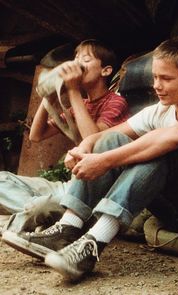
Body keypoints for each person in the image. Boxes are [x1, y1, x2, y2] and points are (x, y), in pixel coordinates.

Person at [3, 35, 178, 282]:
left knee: (164, 149)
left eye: (166, 79)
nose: (157, 85)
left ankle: (93, 245)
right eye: (155, 77)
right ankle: (68, 228)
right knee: (110, 141)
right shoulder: (159, 110)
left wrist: (103, 161)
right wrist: (84, 148)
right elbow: (105, 137)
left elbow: (175, 137)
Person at [0, 39, 129, 234]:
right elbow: (36, 135)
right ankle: (40, 213)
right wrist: (49, 95)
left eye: (85, 59)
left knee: (41, 207)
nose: (77, 64)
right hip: (70, 186)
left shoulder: (116, 101)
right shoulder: (81, 105)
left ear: (106, 71)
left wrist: (73, 90)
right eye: (75, 58)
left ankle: (43, 213)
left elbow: (95, 140)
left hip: (94, 190)